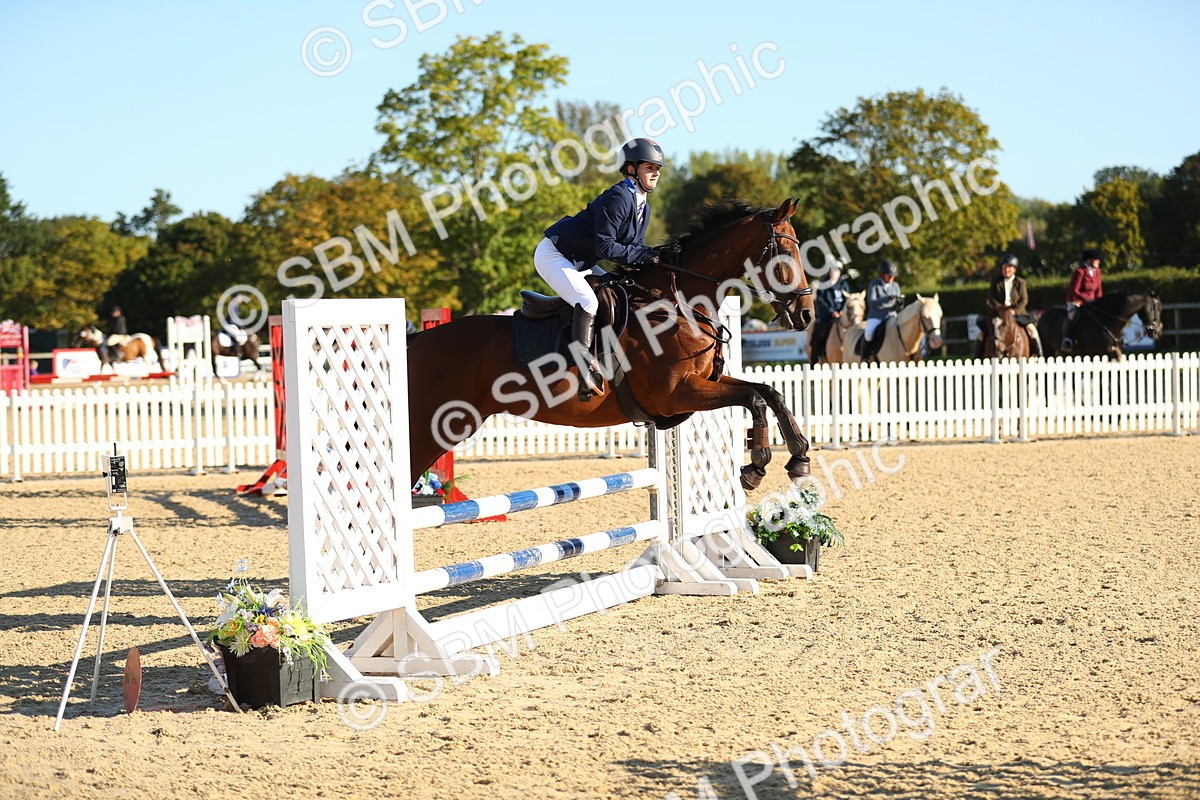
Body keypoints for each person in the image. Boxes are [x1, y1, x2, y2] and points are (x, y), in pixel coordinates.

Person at [538, 138, 669, 400]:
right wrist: (648, 255)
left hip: (581, 261)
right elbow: (606, 248)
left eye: (658, 168)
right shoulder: (619, 197)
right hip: (554, 254)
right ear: (631, 169)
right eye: (649, 167)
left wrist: (654, 261)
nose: (656, 172)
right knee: (587, 300)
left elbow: (634, 249)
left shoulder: (643, 205)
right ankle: (584, 369)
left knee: (616, 293)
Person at [974, 254, 1043, 357]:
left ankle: (1039, 356)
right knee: (981, 334)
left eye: (1010, 267)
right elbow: (991, 298)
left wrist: (1014, 311)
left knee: (1032, 330)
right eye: (1005, 267)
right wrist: (1001, 310)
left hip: (1017, 314)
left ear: (1014, 269)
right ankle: (977, 358)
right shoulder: (996, 282)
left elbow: (1024, 300)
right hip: (999, 315)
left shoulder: (1020, 282)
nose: (1007, 269)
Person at [1061, 248, 1104, 354]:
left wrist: (1100, 302)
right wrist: (1086, 300)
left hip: (1092, 302)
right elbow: (1075, 290)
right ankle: (1068, 339)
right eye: (1096, 259)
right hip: (1076, 301)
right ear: (1089, 260)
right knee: (1073, 317)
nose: (1099, 261)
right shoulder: (1079, 272)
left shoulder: (1097, 271)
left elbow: (1098, 290)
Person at [809, 259, 850, 363]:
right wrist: (832, 312)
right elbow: (821, 302)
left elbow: (848, 300)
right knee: (819, 331)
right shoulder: (822, 284)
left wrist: (842, 311)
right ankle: (817, 356)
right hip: (826, 316)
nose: (834, 272)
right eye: (832, 269)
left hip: (842, 315)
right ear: (828, 271)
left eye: (837, 270)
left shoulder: (844, 284)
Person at [862, 259, 903, 361]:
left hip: (892, 315)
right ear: (882, 275)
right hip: (877, 316)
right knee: (868, 333)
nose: (892, 278)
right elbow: (871, 302)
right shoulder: (874, 285)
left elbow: (897, 304)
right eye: (889, 276)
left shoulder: (895, 286)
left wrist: (900, 304)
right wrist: (886, 298)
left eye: (893, 276)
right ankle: (866, 356)